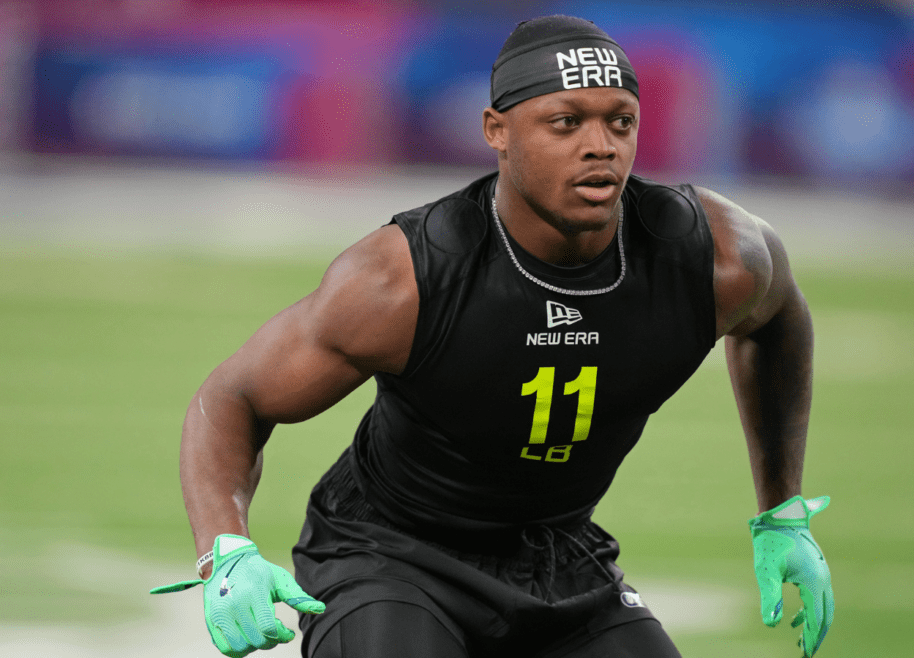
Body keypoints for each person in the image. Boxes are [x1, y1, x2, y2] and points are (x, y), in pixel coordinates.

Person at [152, 14, 834, 658]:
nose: (600, 145)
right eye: (565, 122)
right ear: (497, 130)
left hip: (563, 557)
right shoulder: (404, 278)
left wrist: (782, 513)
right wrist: (225, 551)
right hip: (391, 557)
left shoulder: (711, 256)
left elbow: (779, 322)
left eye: (620, 121)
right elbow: (234, 397)